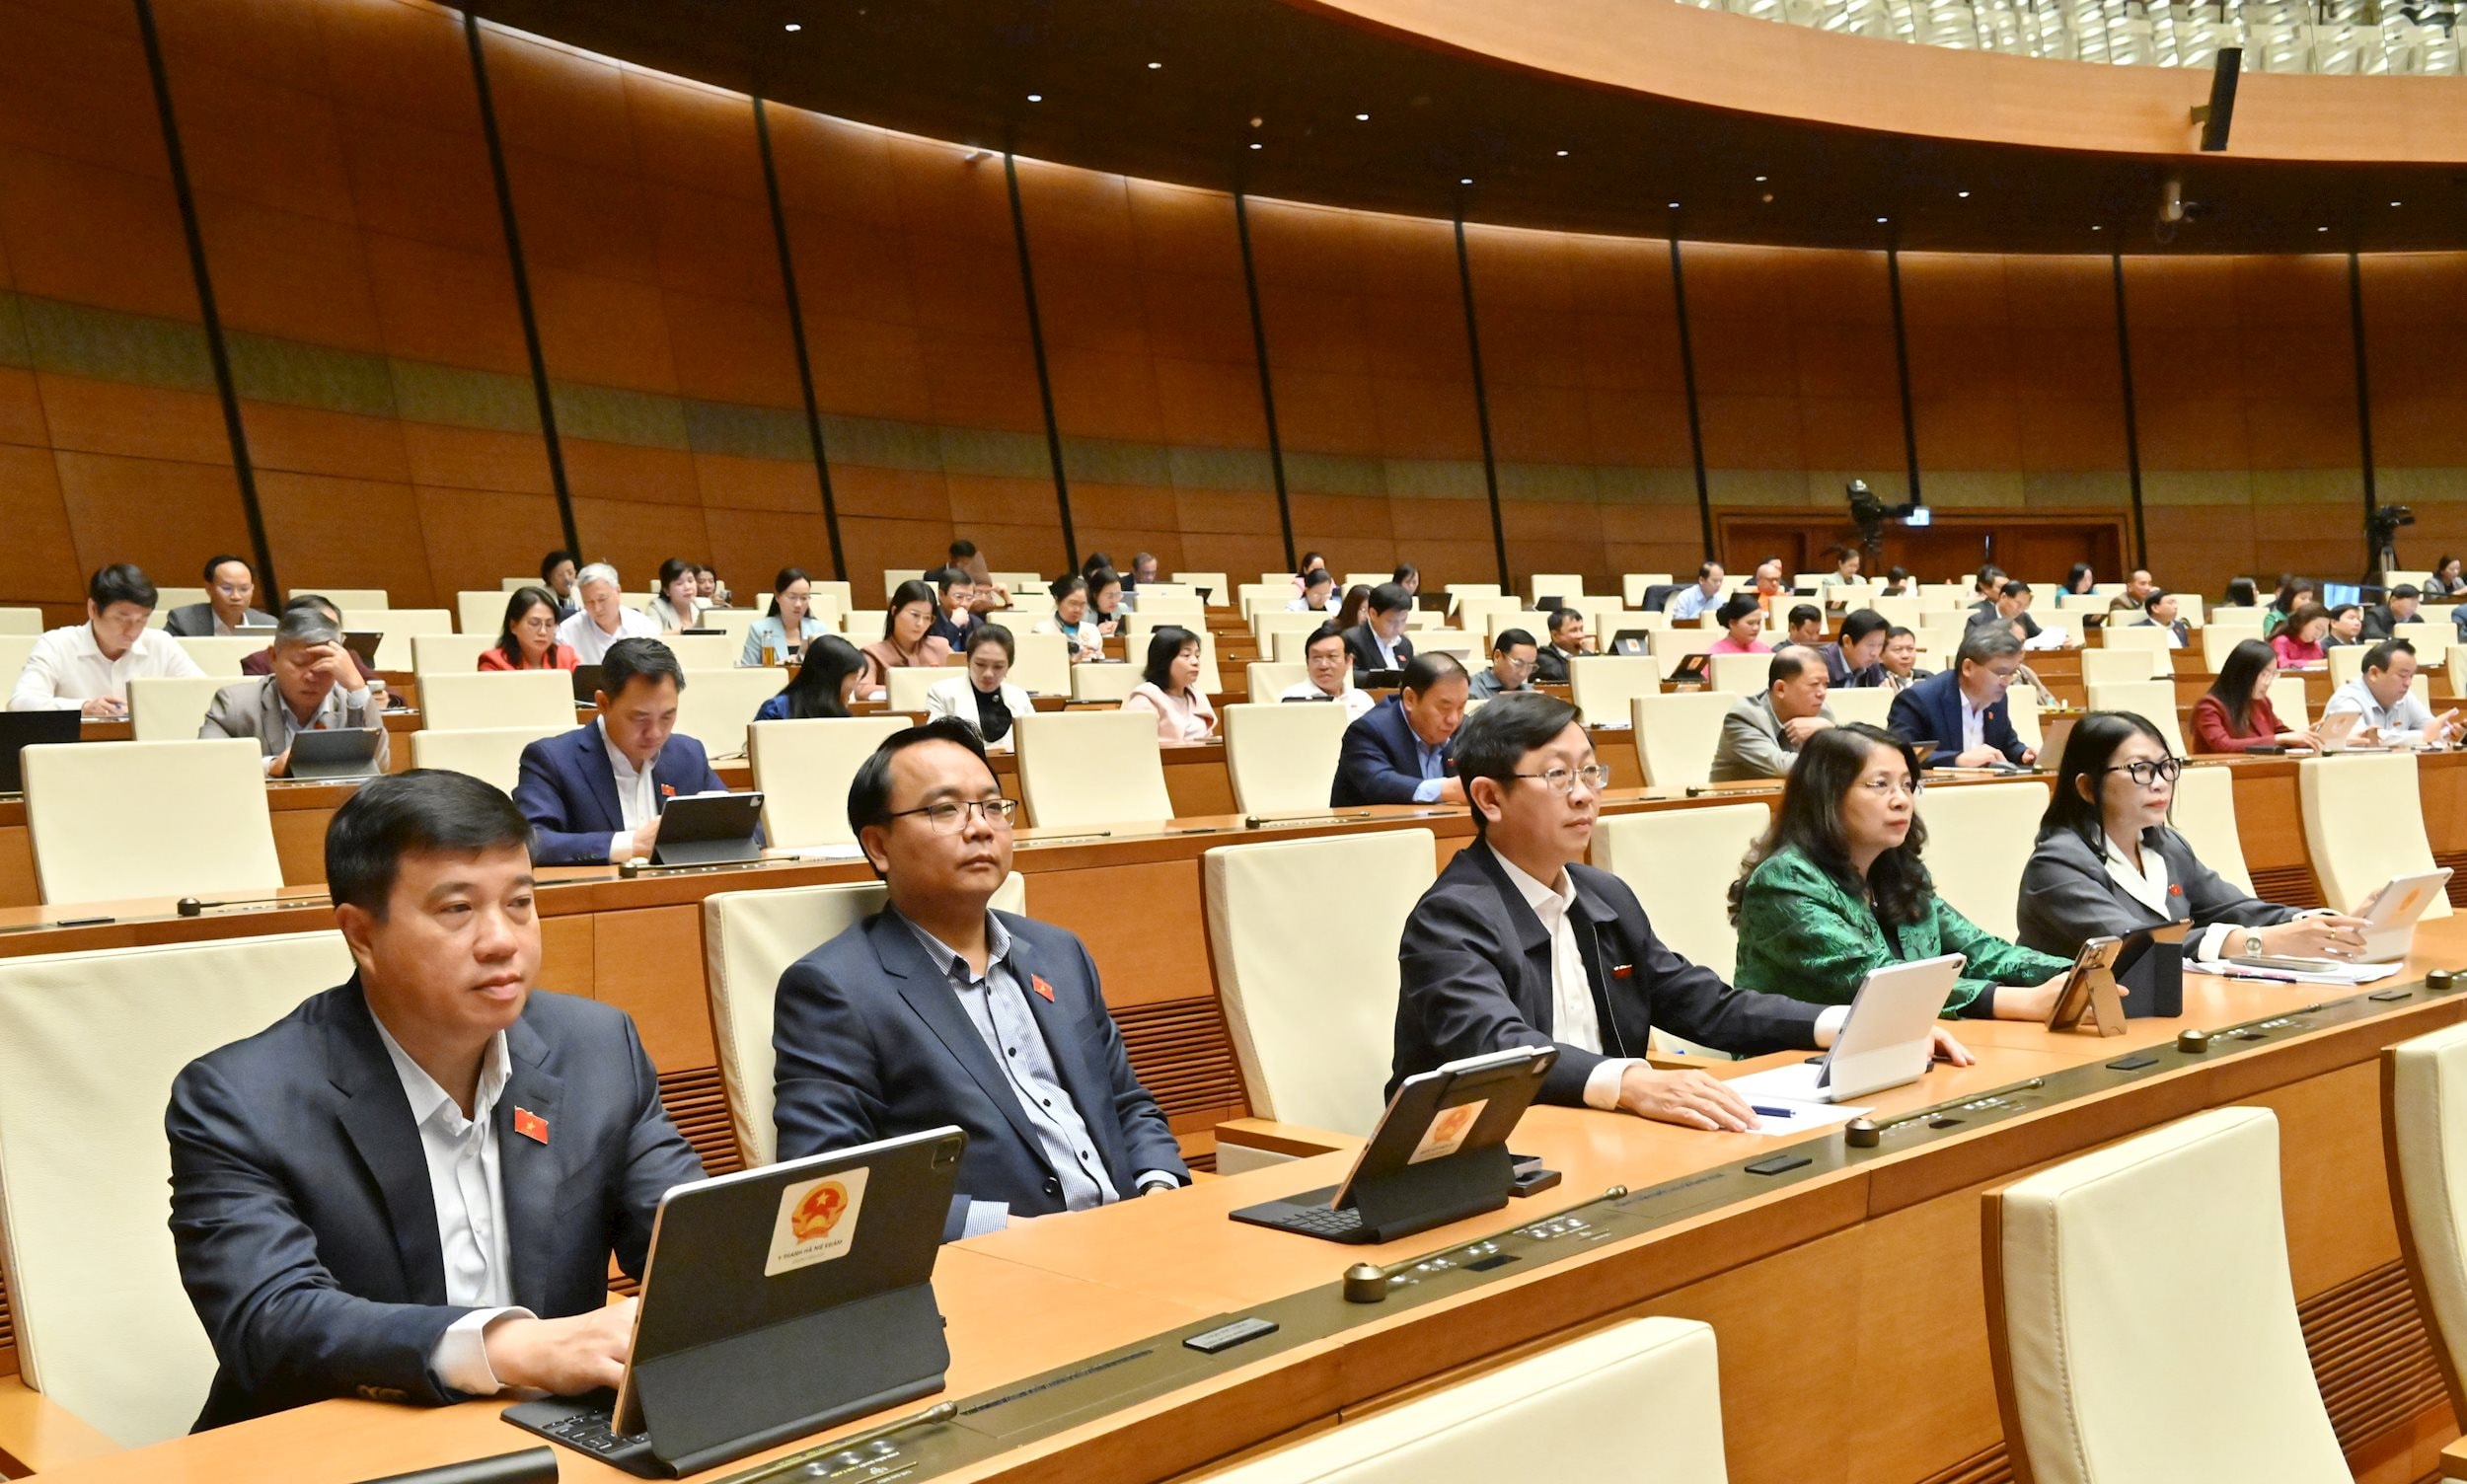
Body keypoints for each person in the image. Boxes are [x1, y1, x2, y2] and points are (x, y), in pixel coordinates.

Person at [165, 769, 704, 1429]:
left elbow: (690, 1246)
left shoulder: (597, 1050)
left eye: (519, 902)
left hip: (560, 1441)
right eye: (458, 909)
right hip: (345, 1448)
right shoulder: (240, 1099)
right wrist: (512, 1348)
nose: (503, 940)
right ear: (362, 935)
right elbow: (269, 1320)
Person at [1387, 693, 1967, 1126]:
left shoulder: (1601, 895)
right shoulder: (1452, 916)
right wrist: (1633, 1083)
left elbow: (1703, 1005)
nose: (1586, 793)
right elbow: (1496, 1046)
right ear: (1488, 798)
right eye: (1558, 775)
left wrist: (1844, 1024)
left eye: (1590, 770)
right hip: (1486, 1154)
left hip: (1605, 1138)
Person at [770, 720, 1190, 1239]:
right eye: (945, 810)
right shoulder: (833, 989)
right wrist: (1001, 1231)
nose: (981, 828)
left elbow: (1126, 1103)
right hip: (994, 1274)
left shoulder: (1060, 953)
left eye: (993, 806)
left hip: (1138, 1237)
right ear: (878, 846)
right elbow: (827, 1180)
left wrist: (1158, 1189)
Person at [1728, 724, 2073, 1018]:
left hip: (1902, 1050)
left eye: (1907, 785)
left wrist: (2072, 974)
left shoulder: (1895, 872)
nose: (1902, 800)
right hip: (1795, 1066)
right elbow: (1876, 980)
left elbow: (1979, 952)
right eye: (1880, 785)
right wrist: (2015, 1000)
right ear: (1827, 796)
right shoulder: (1785, 881)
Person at [2016, 711, 2370, 966]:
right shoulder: (2058, 864)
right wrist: (2258, 942)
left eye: (2166, 766)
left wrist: (2321, 924)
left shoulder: (2166, 845)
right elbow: (2137, 947)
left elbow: (2233, 908)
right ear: (2087, 787)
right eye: (2140, 769)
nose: (2159, 782)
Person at [512, 638, 733, 865]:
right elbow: (531, 842)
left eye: (667, 716)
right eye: (640, 718)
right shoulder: (551, 759)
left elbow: (751, 831)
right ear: (603, 703)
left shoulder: (688, 755)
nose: (655, 733)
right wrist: (631, 845)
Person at [199, 609, 390, 776]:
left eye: (324, 665)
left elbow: (380, 765)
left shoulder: (352, 703)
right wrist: (269, 766)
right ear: (273, 657)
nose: (311, 676)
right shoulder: (234, 704)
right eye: (300, 663)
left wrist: (357, 687)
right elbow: (207, 763)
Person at [10, 562, 203, 715]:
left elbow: (203, 695)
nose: (133, 631)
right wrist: (83, 707)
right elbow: (20, 704)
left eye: (142, 619)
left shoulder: (160, 643)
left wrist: (148, 710)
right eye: (121, 619)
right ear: (93, 609)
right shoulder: (56, 644)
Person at [1887, 625, 2034, 769]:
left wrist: (2023, 755)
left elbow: (2007, 743)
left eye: (2012, 673)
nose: (2006, 682)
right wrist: (1957, 760)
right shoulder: (1918, 699)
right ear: (1968, 668)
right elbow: (1900, 754)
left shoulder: (1996, 699)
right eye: (2001, 673)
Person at [1331, 652, 1468, 806]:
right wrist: (1446, 789)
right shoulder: (1368, 731)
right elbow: (1378, 783)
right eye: (1444, 707)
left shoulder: (1467, 729)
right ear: (1410, 699)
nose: (1454, 719)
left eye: (1461, 707)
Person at [1711, 649, 1834, 782]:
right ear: (1780, 689)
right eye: (1814, 684)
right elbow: (1781, 768)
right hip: (1742, 801)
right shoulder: (1744, 717)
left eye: (1825, 684)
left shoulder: (1822, 713)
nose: (1822, 693)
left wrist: (1831, 730)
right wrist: (1836, 756)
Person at [2321, 638, 2460, 749]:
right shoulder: (2346, 699)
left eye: (2411, 676)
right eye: (2403, 675)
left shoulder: (2406, 697)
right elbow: (2361, 738)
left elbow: (2431, 730)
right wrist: (2422, 737)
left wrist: (2451, 733)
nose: (2408, 683)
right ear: (2374, 673)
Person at [2192, 637, 2315, 753]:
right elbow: (2222, 745)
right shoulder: (2209, 706)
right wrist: (2279, 739)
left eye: (2273, 674)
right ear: (2243, 674)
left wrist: (2308, 736)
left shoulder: (2262, 702)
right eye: (2264, 675)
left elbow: (2284, 734)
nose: (2268, 682)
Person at [924, 626, 1033, 749]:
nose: (988, 674)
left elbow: (1034, 744)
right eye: (980, 664)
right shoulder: (941, 693)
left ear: (1009, 666)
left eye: (998, 666)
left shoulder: (1019, 697)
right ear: (968, 660)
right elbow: (934, 746)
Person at [1123, 626, 1217, 744]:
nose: (1195, 662)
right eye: (1186, 655)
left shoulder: (1198, 697)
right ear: (1164, 660)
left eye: (1197, 656)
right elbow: (1139, 747)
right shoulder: (1146, 698)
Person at [556, 562, 660, 665]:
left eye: (602, 599)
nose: (597, 608)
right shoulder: (568, 631)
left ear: (618, 592)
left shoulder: (643, 626)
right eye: (588, 602)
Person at [860, 578, 953, 691]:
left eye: (927, 617)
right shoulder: (873, 653)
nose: (920, 624)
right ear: (894, 611)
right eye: (914, 615)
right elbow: (863, 691)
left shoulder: (941, 647)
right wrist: (907, 691)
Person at [755, 634, 866, 722]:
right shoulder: (776, 710)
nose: (856, 684)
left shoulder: (841, 713)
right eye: (854, 676)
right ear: (831, 678)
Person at [1280, 623, 1377, 722]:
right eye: (1316, 658)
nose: (1324, 665)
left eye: (1332, 657)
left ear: (1348, 661)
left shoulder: (1362, 699)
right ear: (1307, 662)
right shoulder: (1291, 698)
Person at [164, 555, 273, 637]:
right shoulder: (183, 621)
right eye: (227, 588)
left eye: (244, 589)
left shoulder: (269, 625)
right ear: (209, 588)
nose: (236, 596)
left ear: (252, 589)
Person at [740, 567, 829, 667]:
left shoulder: (818, 629)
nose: (798, 604)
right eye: (792, 597)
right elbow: (746, 670)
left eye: (804, 598)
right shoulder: (759, 629)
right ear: (778, 596)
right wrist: (777, 666)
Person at [479, 587, 576, 672]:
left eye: (549, 624)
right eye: (534, 624)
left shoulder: (566, 656)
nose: (543, 632)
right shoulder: (494, 662)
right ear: (513, 626)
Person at [1341, 583, 1417, 682]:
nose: (1398, 628)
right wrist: (1383, 678)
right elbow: (1346, 676)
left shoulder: (1405, 645)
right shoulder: (1350, 639)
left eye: (1403, 621)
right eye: (1392, 621)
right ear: (1373, 614)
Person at [1033, 574, 1105, 661]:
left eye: (1082, 604)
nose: (1078, 609)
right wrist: (1072, 661)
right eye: (1073, 603)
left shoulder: (1092, 630)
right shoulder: (1041, 631)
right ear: (1057, 600)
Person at [1819, 610, 1890, 688]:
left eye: (1880, 644)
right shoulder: (1820, 664)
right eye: (1871, 645)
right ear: (1847, 641)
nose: (1875, 653)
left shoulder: (1872, 666)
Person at [1467, 627, 1537, 702]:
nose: (1523, 674)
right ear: (1497, 656)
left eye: (1530, 666)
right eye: (1518, 664)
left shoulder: (1531, 694)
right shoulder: (1472, 691)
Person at [946, 539, 1009, 614]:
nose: (983, 598)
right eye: (979, 593)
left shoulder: (990, 612)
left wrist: (1007, 597)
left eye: (987, 593)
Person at [1530, 607, 1592, 684]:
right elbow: (1566, 677)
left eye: (1581, 629)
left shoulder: (1585, 654)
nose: (1580, 635)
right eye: (1573, 631)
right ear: (1555, 635)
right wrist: (1587, 654)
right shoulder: (1542, 658)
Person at [926, 566, 978, 649]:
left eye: (969, 598)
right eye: (959, 597)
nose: (964, 604)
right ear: (941, 595)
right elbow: (934, 652)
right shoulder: (928, 621)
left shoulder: (976, 623)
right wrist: (954, 625)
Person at [647, 557, 703, 633]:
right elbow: (653, 636)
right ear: (667, 590)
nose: (687, 587)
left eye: (690, 581)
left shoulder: (704, 604)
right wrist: (685, 631)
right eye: (679, 583)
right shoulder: (657, 607)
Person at [2270, 602, 2331, 668]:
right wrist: (2315, 663)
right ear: (2303, 621)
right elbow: (2282, 664)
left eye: (2323, 631)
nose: (2318, 634)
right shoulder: (2282, 641)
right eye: (2318, 627)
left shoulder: (2316, 645)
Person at [1705, 595, 1770, 657]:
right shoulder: (1716, 654)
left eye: (1758, 623)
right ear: (1732, 623)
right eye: (1750, 623)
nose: (1756, 628)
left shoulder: (1764, 650)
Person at [1878, 625, 1929, 694]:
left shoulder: (1928, 678)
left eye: (1910, 649)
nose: (1905, 655)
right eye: (1897, 649)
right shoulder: (1873, 680)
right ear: (1881, 655)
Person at [1084, 568, 1128, 638]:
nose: (1114, 601)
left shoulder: (1123, 609)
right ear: (1095, 595)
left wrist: (1119, 632)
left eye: (1117, 595)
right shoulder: (1084, 612)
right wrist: (1096, 631)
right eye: (1109, 596)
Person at [538, 550, 578, 621]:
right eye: (560, 575)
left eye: (570, 573)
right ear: (549, 576)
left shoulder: (582, 593)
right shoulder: (540, 597)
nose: (567, 579)